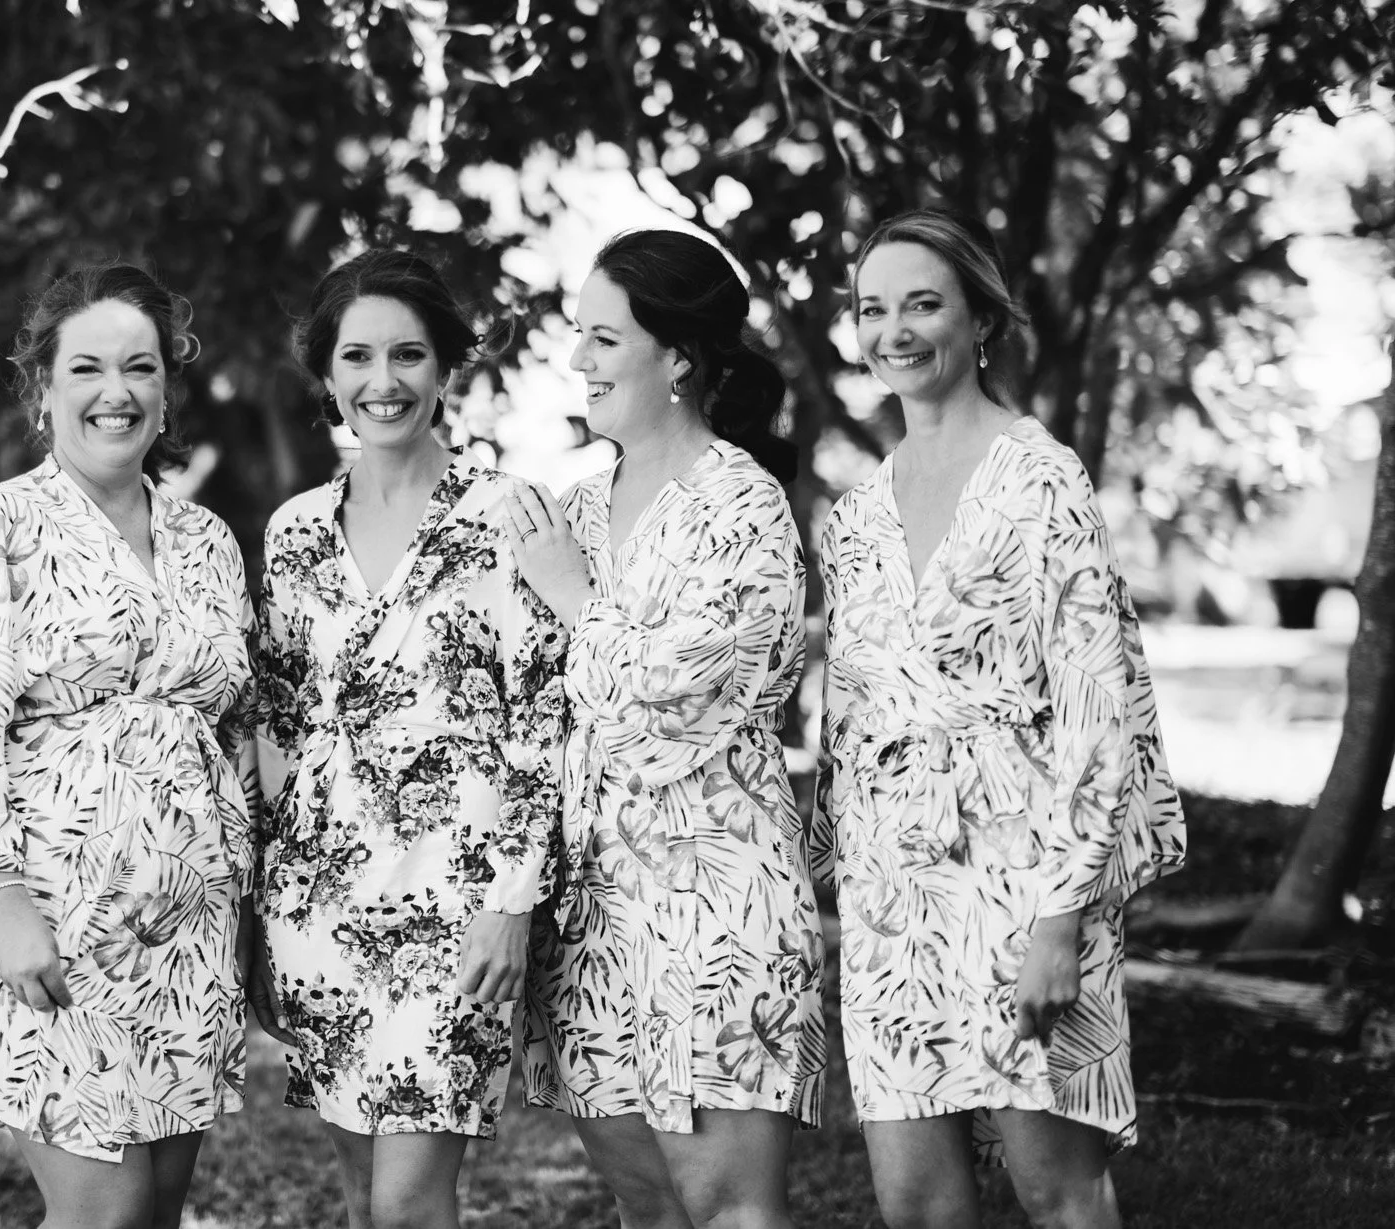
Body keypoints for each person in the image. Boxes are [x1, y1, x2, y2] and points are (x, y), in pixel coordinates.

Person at [812, 209, 1187, 1229]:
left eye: (921, 304)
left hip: (1025, 878)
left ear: (980, 320)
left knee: (1055, 1189)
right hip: (893, 893)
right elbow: (849, 712)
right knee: (914, 1201)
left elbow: (1098, 710)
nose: (894, 331)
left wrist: (1062, 917)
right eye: (872, 309)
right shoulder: (855, 516)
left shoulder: (1040, 479)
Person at [0, 262, 251, 1229]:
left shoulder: (207, 539)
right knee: (104, 1210)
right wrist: (1, 902)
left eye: (140, 367)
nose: (115, 391)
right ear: (43, 388)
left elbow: (236, 730)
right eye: (87, 368)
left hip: (185, 927)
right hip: (42, 917)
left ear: (167, 388)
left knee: (153, 1213)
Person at [246, 248, 567, 1229]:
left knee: (407, 1202)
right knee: (361, 1196)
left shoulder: (508, 515)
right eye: (356, 356)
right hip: (318, 903)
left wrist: (510, 903)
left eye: (407, 354)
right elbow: (279, 722)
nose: (381, 381)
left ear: (445, 366)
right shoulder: (294, 531)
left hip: (459, 905)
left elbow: (544, 719)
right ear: (326, 370)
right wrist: (261, 904)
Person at [512, 229, 825, 1229]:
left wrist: (572, 600)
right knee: (644, 1206)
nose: (578, 360)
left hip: (714, 902)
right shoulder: (572, 512)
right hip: (588, 919)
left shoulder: (742, 506)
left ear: (678, 356)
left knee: (727, 1208)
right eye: (579, 335)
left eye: (603, 338)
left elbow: (677, 705)